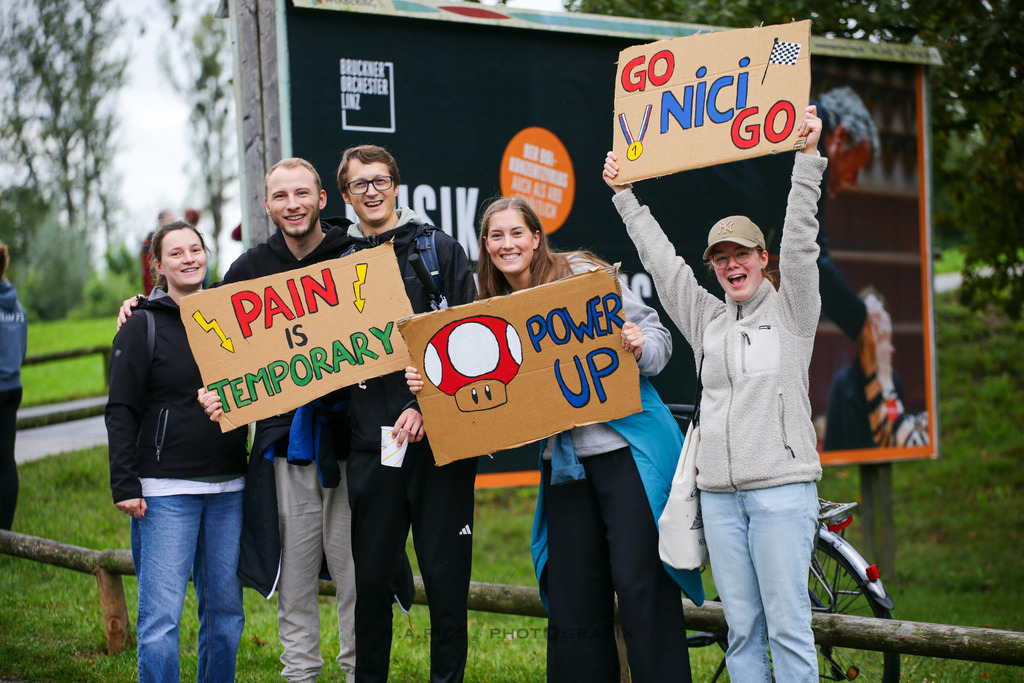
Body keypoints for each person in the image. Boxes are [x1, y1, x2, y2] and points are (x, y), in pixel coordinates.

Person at [406, 196, 704, 682]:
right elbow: (478, 400)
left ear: (537, 237)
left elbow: (659, 339)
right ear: (485, 246)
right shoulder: (489, 313)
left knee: (641, 587)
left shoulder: (581, 275)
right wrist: (430, 390)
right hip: (565, 469)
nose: (508, 244)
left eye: (517, 233)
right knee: (573, 601)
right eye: (496, 236)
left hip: (629, 455)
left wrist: (639, 344)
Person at [603, 106, 826, 682]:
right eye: (721, 258)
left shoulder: (794, 311)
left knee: (789, 629)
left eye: (741, 255)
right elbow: (662, 262)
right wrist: (625, 196)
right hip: (720, 501)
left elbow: (801, 241)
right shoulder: (708, 321)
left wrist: (807, 160)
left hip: (781, 493)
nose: (732, 265)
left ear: (762, 259)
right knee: (743, 630)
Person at [125, 158, 364, 683]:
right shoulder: (250, 269)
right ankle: (300, 675)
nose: (293, 205)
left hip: (355, 443)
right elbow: (201, 314)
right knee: (295, 580)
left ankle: (357, 675)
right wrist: (144, 304)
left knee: (355, 579)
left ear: (323, 199)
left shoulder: (356, 257)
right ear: (267, 205)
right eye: (281, 197)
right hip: (285, 447)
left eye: (302, 194)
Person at [330, 144, 478, 683]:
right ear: (345, 196)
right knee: (370, 582)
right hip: (376, 446)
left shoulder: (441, 250)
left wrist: (425, 405)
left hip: (441, 444)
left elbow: (473, 345)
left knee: (445, 583)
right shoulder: (339, 267)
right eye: (359, 184)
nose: (372, 190)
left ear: (396, 185)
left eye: (380, 180)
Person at [106, 220, 249, 682]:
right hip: (165, 493)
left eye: (196, 249)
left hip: (229, 486)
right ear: (158, 265)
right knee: (161, 621)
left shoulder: (232, 316)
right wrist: (125, 482)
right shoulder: (141, 323)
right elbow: (121, 409)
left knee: (226, 616)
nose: (189, 259)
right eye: (177, 253)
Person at [824, 288, 930, 450]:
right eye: (869, 320)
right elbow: (832, 446)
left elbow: (899, 435)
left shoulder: (892, 380)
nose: (875, 328)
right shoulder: (842, 382)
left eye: (879, 319)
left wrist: (886, 381)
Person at [0, 241, 27, 531]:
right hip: (13, 387)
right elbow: (22, 350)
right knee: (6, 459)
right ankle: (4, 531)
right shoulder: (17, 307)